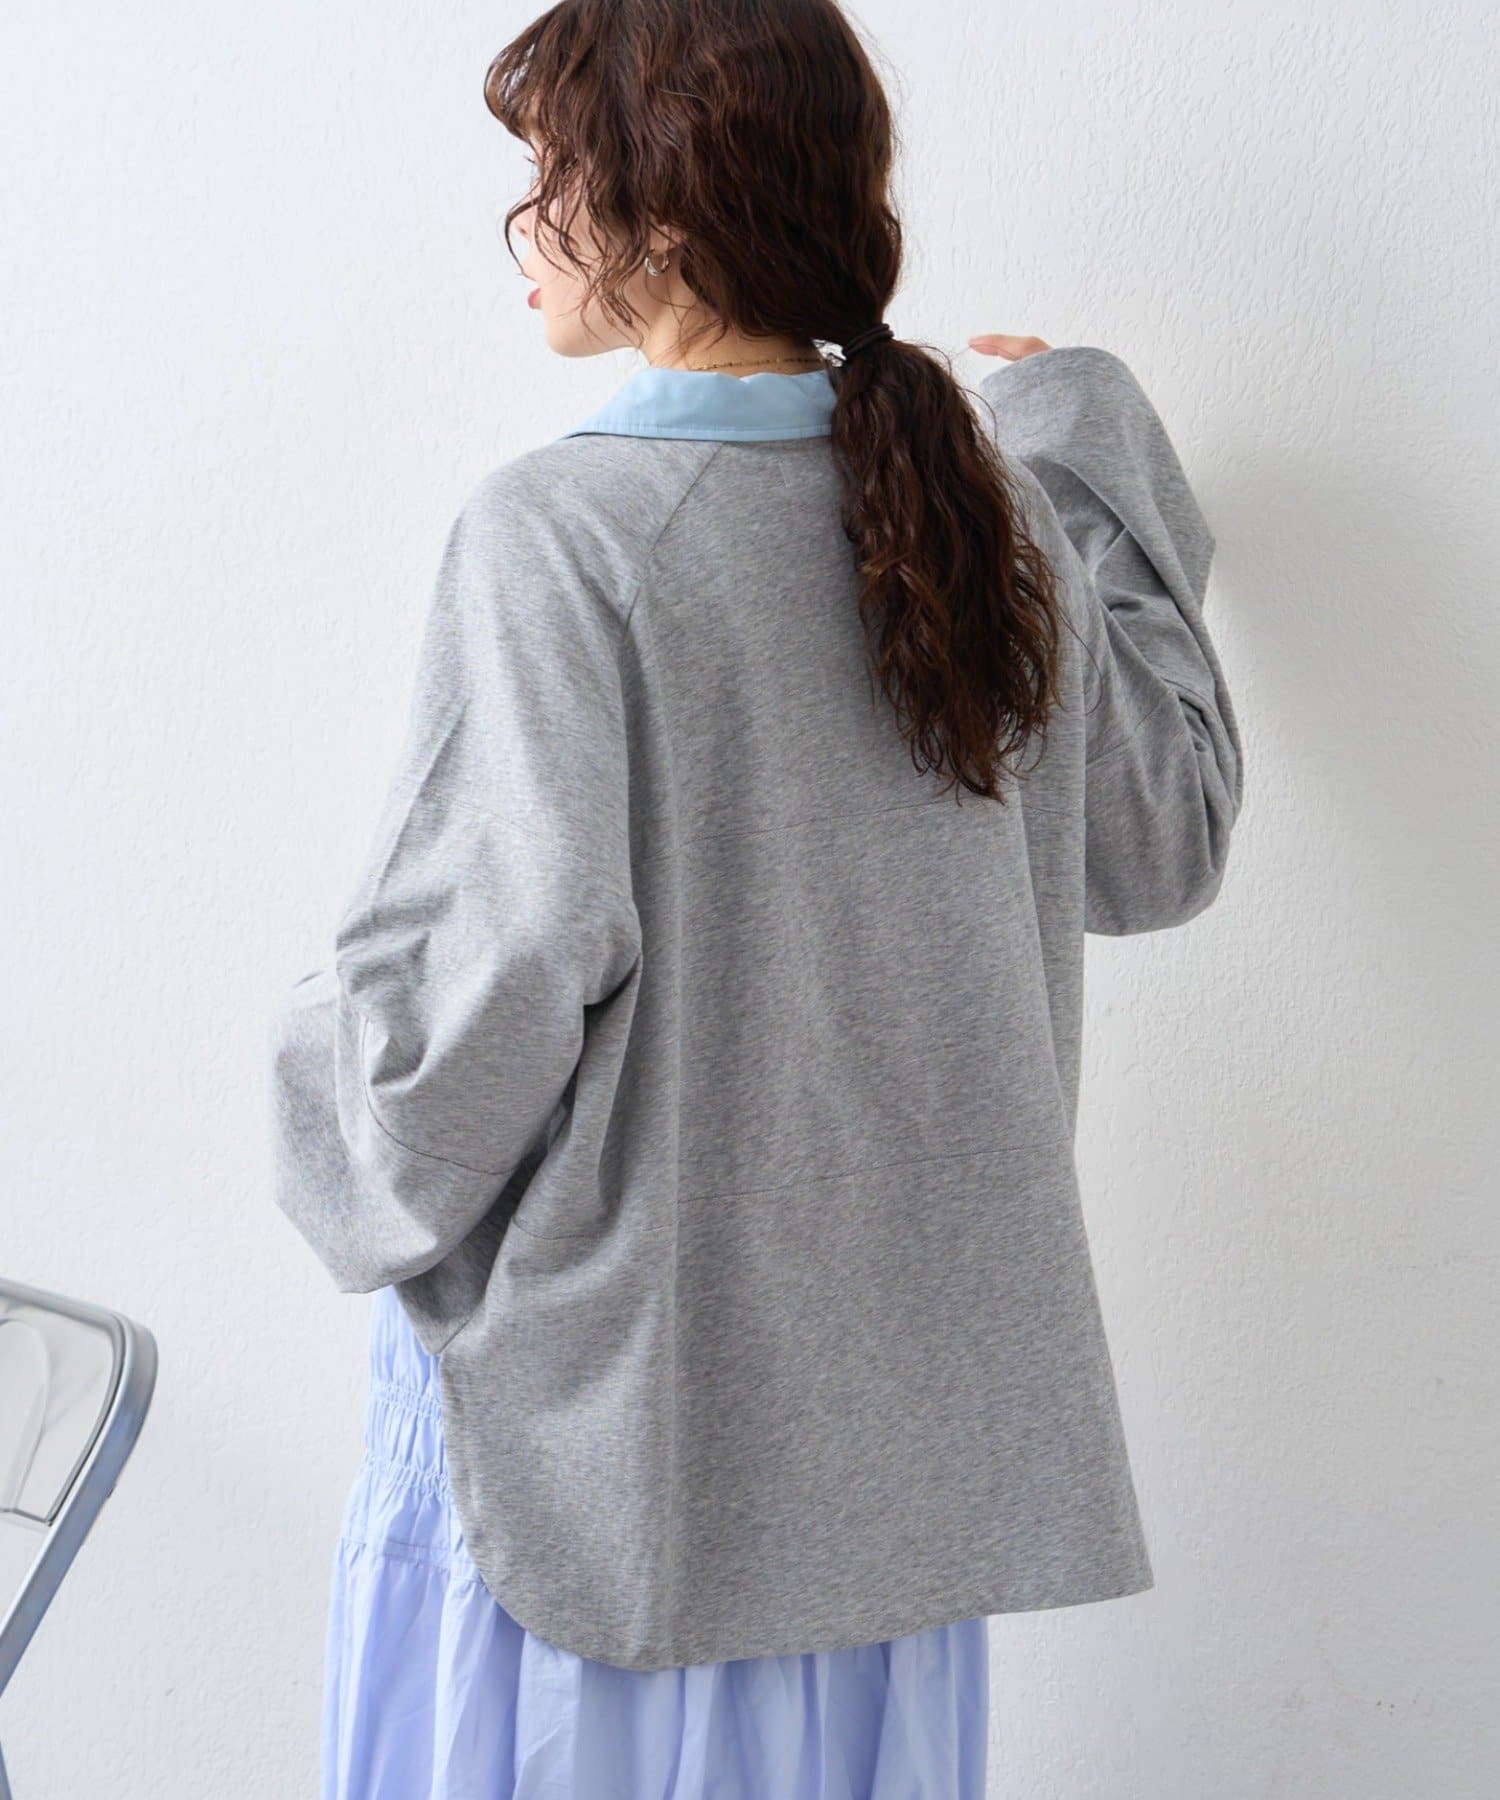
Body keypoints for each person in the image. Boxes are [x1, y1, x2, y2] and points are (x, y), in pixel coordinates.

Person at [267, 0, 1245, 1793]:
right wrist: (1083, 442)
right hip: (888, 1493)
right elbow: (1162, 834)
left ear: (665, 212)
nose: (521, 223)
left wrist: (309, 1086)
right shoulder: (992, 527)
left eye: (550, 172)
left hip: (619, 1470)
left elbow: (448, 1047)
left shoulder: (564, 538)